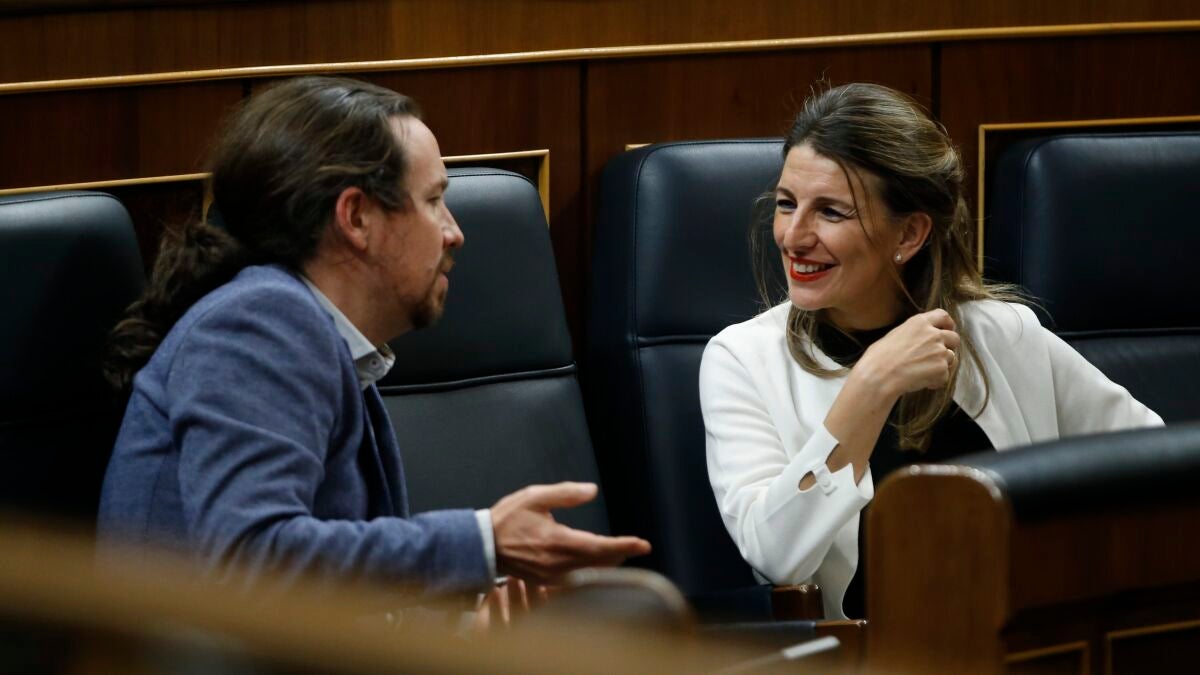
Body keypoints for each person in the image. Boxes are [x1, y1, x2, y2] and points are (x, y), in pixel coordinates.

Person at [98, 76, 649, 597]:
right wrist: (483, 543)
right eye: (433, 200)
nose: (454, 232)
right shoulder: (259, 324)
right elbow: (255, 562)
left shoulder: (300, 325)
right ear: (357, 217)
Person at [699, 82, 1162, 620]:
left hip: (1025, 639)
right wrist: (871, 385)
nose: (793, 236)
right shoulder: (741, 358)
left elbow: (1150, 464)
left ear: (909, 234)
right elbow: (775, 557)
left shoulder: (1002, 332)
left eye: (831, 212)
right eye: (786, 204)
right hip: (866, 651)